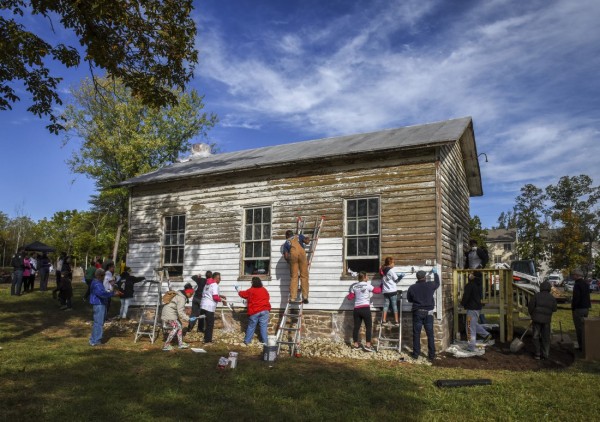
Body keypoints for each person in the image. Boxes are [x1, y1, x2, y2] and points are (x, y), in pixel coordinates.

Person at [407, 268, 440, 360]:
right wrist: (435, 274)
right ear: (425, 277)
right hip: (429, 313)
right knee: (430, 334)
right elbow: (437, 283)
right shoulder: (430, 285)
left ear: (417, 278)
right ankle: (431, 355)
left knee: (416, 333)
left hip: (417, 312)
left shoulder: (412, 287)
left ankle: (416, 354)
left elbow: (409, 299)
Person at [347, 271, 382, 352]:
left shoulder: (354, 286)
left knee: (356, 327)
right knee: (368, 327)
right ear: (364, 277)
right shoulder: (367, 285)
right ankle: (368, 345)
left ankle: (356, 345)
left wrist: (351, 294)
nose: (368, 277)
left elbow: (350, 297)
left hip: (356, 309)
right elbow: (378, 291)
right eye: (367, 276)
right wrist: (382, 284)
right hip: (365, 309)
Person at [461, 271, 492, 352]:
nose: (469, 275)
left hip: (472, 308)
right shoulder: (479, 284)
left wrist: (462, 304)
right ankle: (486, 334)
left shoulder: (470, 285)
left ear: (474, 276)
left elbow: (466, 296)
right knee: (473, 324)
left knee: (469, 327)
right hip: (477, 308)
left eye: (471, 274)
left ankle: (471, 347)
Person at [89, 268, 121, 346]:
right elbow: (101, 294)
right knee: (99, 323)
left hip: (100, 304)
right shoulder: (97, 283)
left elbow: (102, 292)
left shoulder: (97, 282)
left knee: (98, 322)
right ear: (100, 276)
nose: (104, 277)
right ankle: (96, 341)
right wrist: (113, 294)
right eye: (103, 276)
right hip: (99, 304)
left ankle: (93, 339)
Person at [237, 276, 271, 345]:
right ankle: (265, 342)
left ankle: (247, 341)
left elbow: (243, 294)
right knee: (263, 327)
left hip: (254, 311)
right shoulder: (264, 289)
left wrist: (238, 290)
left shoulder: (251, 290)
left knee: (251, 326)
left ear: (252, 283)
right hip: (265, 310)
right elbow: (268, 297)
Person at [528, 281, 557, 360]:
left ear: (541, 287)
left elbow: (530, 306)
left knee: (535, 336)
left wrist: (532, 314)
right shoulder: (552, 298)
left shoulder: (536, 296)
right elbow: (554, 309)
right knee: (546, 338)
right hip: (546, 321)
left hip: (536, 320)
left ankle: (537, 354)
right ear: (549, 288)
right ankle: (545, 354)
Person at [161, 285, 195, 351]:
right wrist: (188, 319)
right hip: (169, 314)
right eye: (191, 294)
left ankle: (180, 344)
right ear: (188, 293)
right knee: (176, 327)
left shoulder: (180, 295)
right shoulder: (181, 298)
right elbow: (181, 312)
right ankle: (166, 345)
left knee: (179, 326)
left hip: (170, 313)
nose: (191, 296)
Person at [283, 229, 311, 304]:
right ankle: (305, 296)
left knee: (294, 277)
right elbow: (307, 242)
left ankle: (292, 298)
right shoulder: (299, 236)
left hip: (293, 256)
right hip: (302, 255)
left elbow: (286, 256)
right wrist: (308, 238)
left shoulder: (286, 243)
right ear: (293, 234)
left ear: (287, 236)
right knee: (304, 276)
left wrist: (290, 262)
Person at [200, 272, 226, 343]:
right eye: (218, 278)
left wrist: (220, 296)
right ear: (214, 278)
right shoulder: (215, 285)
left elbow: (208, 294)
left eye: (220, 278)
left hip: (203, 305)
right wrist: (222, 300)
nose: (220, 279)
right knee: (210, 324)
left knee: (207, 323)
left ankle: (205, 338)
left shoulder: (207, 284)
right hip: (209, 307)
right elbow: (214, 297)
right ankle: (208, 341)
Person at [571, 269, 591, 351]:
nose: (572, 276)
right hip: (586, 307)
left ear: (577, 275)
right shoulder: (586, 283)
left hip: (579, 308)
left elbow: (576, 298)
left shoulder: (577, 284)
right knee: (584, 327)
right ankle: (586, 344)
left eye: (573, 275)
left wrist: (573, 307)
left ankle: (581, 346)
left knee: (579, 328)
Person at [380, 256, 400, 327]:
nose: (394, 264)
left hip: (385, 291)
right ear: (390, 263)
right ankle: (396, 321)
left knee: (386, 306)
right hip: (392, 291)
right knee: (394, 306)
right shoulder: (391, 271)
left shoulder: (383, 270)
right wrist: (401, 276)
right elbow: (396, 279)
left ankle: (384, 320)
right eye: (393, 263)